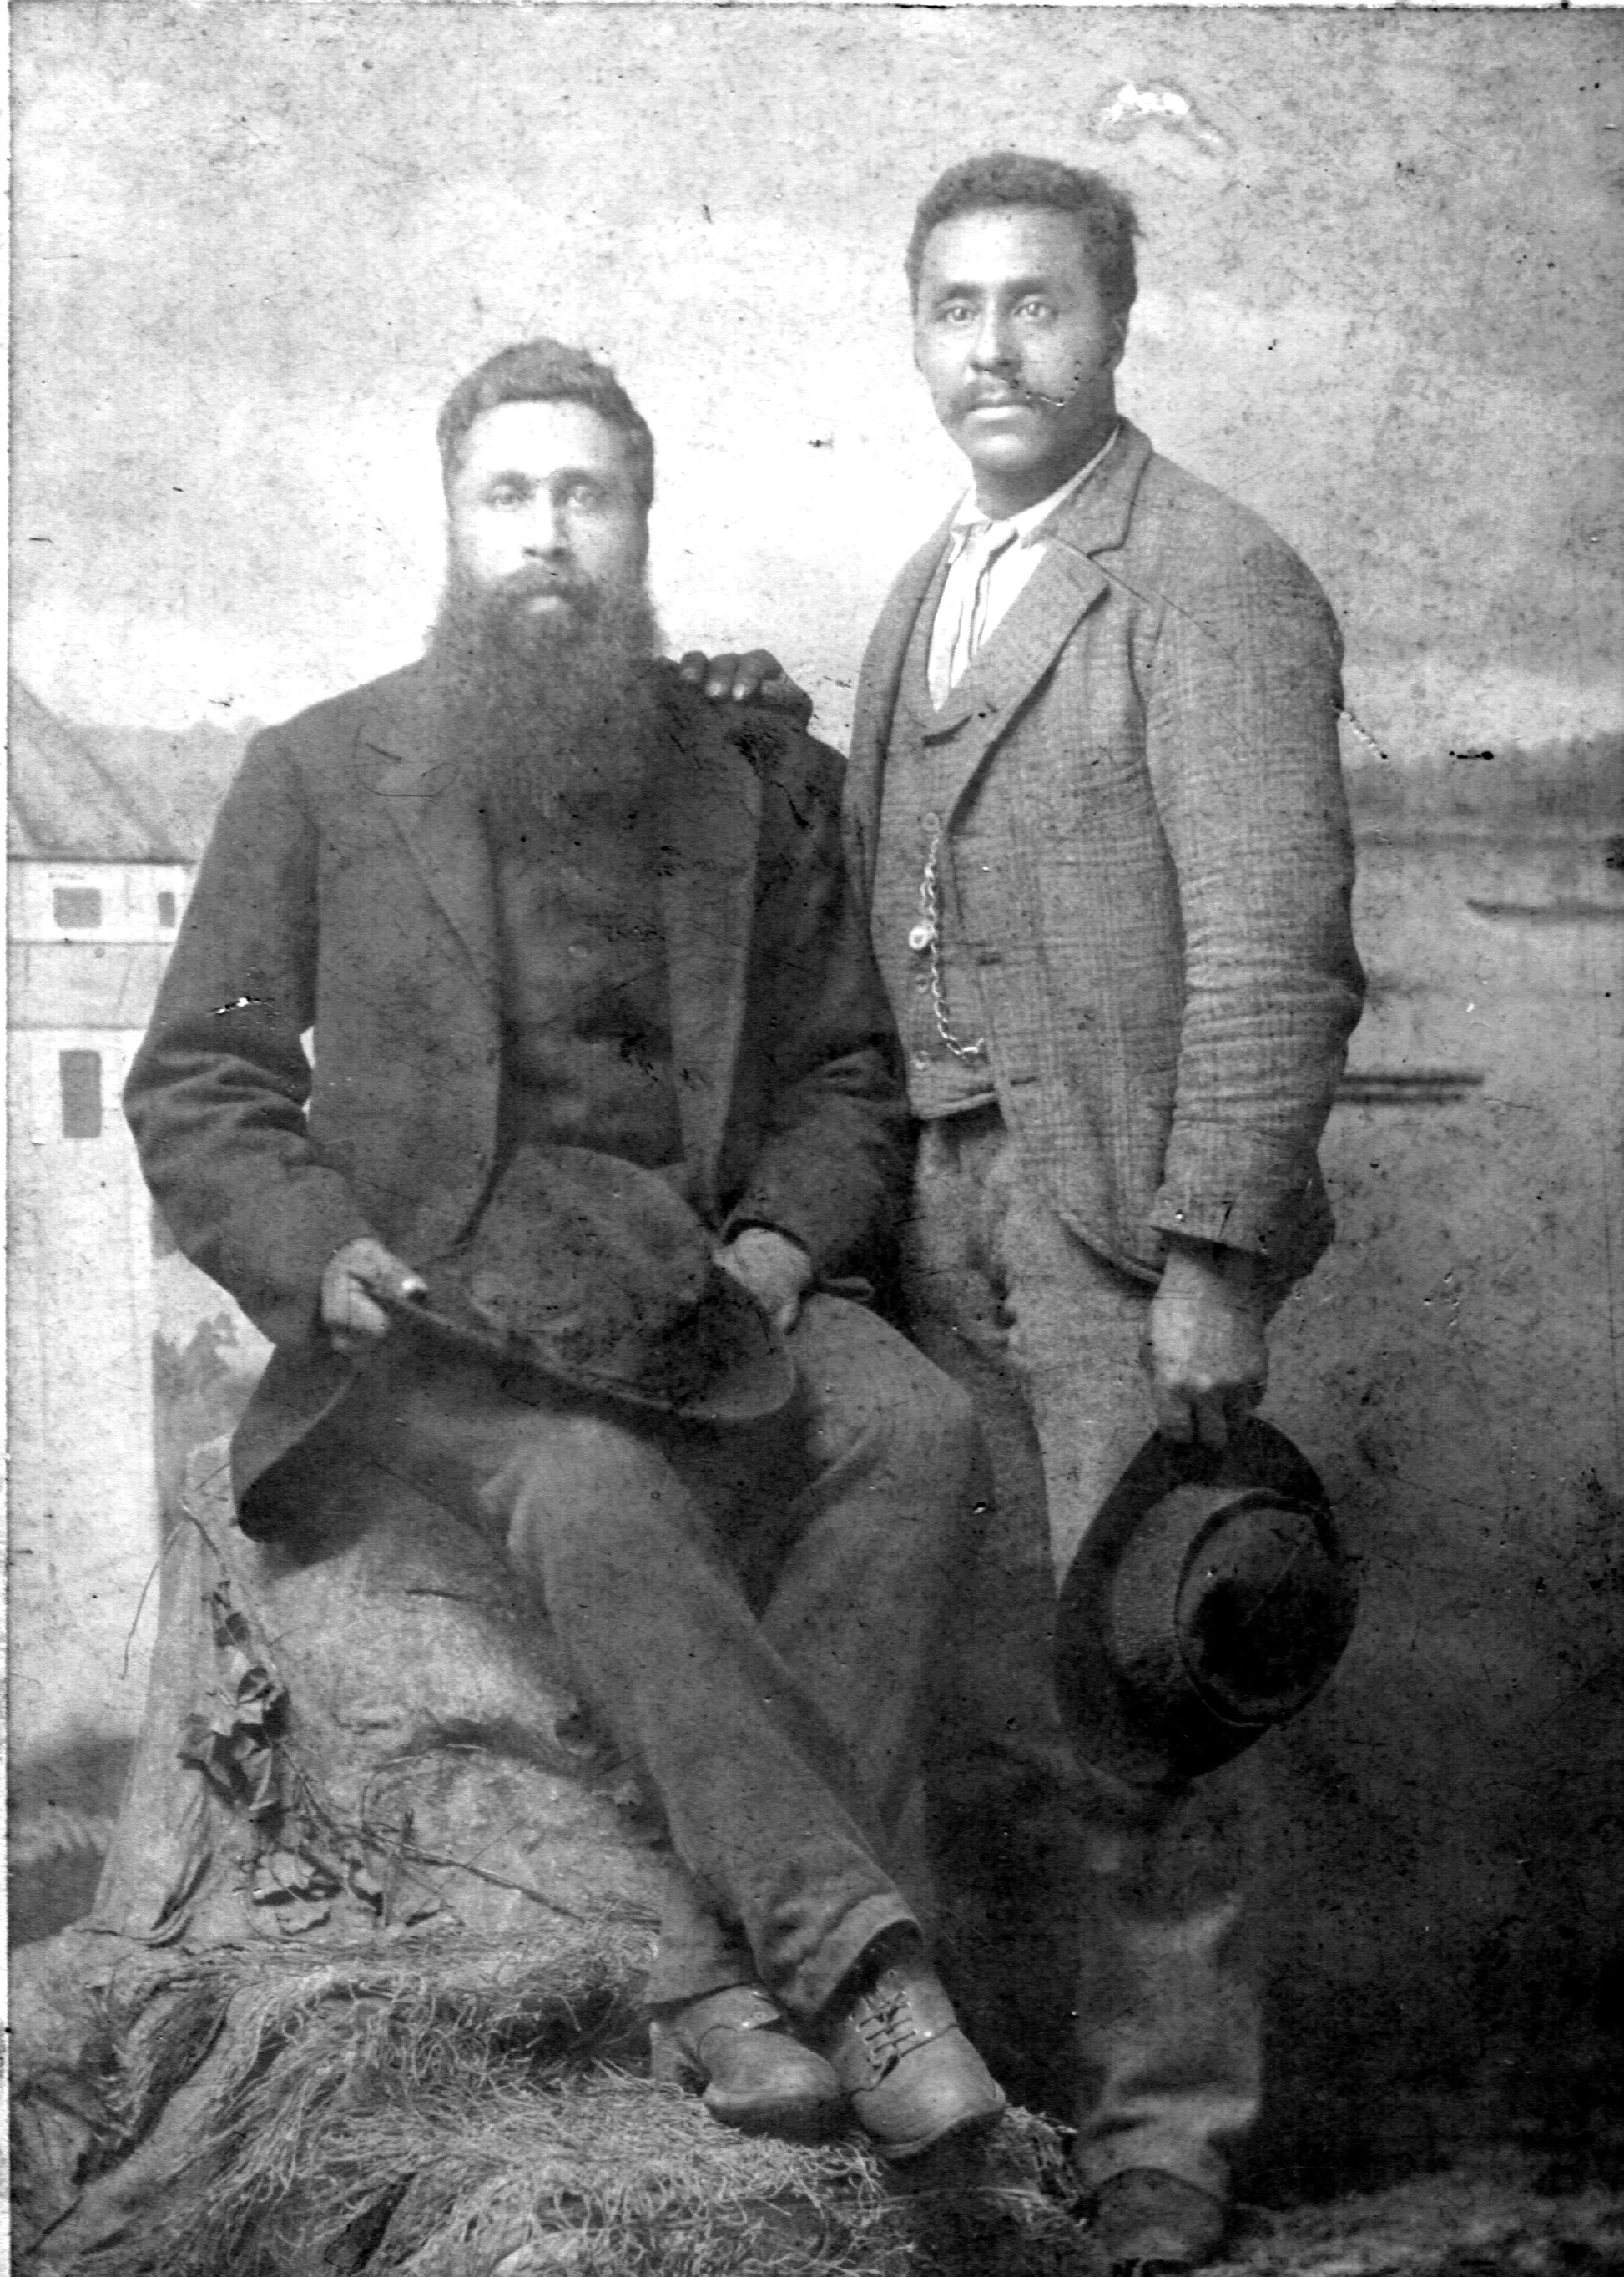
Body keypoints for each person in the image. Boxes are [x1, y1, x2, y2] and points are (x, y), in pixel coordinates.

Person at [124, 337, 1009, 2165]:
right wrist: (329, 1252)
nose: (549, 534)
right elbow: (202, 1077)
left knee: (914, 1430)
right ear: (453, 523)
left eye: (584, 495)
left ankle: (706, 1960)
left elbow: (850, 1069)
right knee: (593, 1489)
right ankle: (864, 1978)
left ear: (640, 520)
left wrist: (777, 1245)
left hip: (697, 1286)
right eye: (510, 495)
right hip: (443, 1316)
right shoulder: (316, 772)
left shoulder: (745, 779)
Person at [842, 154, 1365, 2269]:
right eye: (954, 306)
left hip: (1115, 1222)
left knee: (1140, 1673)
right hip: (928, 1210)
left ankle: (1167, 2137)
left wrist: (1216, 1259)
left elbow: (1273, 940)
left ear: (1116, 325)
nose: (994, 346)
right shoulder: (924, 583)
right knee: (969, 1674)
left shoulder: (1213, 575)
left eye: (1036, 305)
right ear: (914, 331)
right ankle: (1006, 2112)